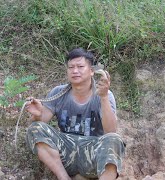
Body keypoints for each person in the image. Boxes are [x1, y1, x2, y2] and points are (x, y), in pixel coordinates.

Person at [25, 48, 125, 180]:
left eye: (80, 66)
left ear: (91, 71)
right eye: (71, 67)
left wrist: (104, 97)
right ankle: (64, 177)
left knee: (114, 140)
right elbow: (40, 127)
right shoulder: (58, 92)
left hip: (93, 155)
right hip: (65, 153)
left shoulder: (104, 94)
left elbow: (110, 131)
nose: (75, 71)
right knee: (35, 128)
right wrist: (37, 116)